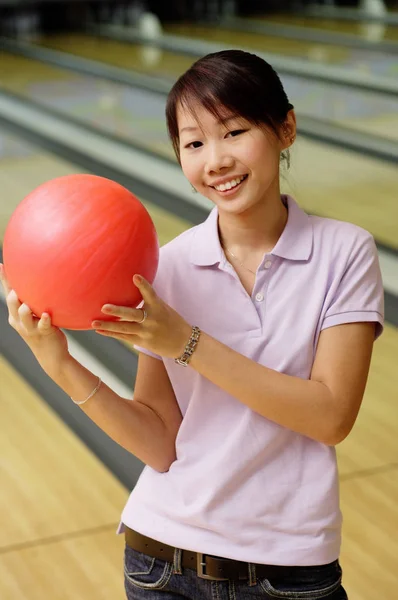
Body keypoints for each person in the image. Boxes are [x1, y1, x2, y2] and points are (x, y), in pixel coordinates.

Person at [0, 49, 384, 600]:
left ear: (285, 128)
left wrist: (186, 343)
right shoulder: (167, 268)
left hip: (288, 571)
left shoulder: (344, 253)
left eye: (233, 132)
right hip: (161, 562)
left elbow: (329, 417)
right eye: (194, 143)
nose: (216, 160)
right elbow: (160, 444)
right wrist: (57, 363)